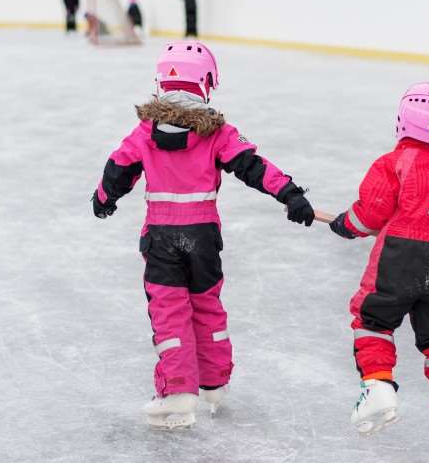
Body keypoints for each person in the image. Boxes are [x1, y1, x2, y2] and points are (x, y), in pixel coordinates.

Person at [91, 41, 315, 429]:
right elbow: (254, 166)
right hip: (203, 236)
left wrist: (104, 198)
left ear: (161, 81)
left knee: (169, 310)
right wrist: (290, 194)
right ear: (206, 82)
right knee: (206, 306)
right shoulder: (217, 131)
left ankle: (177, 394)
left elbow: (118, 167)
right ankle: (214, 383)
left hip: (162, 236)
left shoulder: (145, 130)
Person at [328, 83, 429, 438]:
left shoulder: (392, 163)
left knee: (373, 319)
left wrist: (346, 225)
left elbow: (371, 213)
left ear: (403, 121)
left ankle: (379, 385)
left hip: (397, 257)